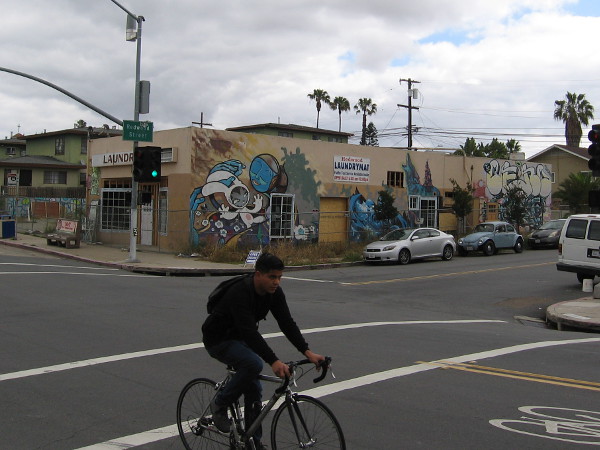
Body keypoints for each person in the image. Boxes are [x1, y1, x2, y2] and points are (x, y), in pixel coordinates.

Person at [202, 252, 324, 448]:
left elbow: (287, 323)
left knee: (255, 389)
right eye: (272, 277)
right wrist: (274, 361)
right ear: (258, 274)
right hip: (218, 338)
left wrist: (308, 352)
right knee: (252, 364)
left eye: (279, 277)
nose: (276, 282)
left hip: (240, 337)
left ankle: (252, 441)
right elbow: (249, 332)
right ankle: (220, 403)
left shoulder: (274, 293)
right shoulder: (240, 293)